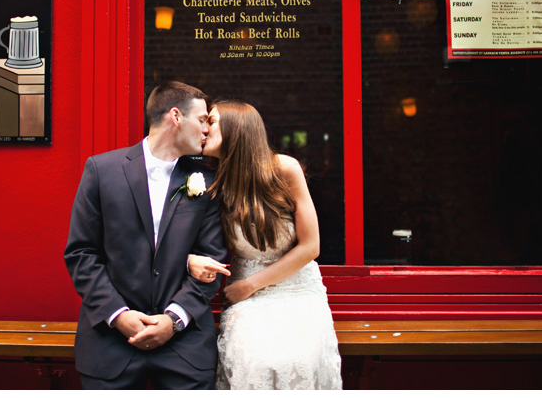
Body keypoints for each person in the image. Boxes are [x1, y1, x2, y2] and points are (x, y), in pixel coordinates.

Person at [64, 81, 228, 390]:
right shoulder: (102, 170)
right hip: (110, 344)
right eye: (203, 119)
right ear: (175, 116)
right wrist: (118, 315)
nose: (207, 129)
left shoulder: (207, 179)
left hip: (185, 347)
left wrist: (173, 319)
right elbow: (81, 253)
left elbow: (213, 261)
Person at [188, 100, 342, 390]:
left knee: (301, 360)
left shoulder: (284, 169)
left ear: (236, 129)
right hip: (247, 298)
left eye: (212, 121)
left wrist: (250, 285)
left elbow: (311, 247)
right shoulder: (213, 180)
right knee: (252, 359)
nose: (204, 129)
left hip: (295, 288)